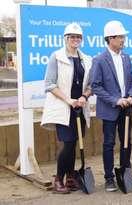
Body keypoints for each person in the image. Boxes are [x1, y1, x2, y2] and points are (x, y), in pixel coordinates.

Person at [41, 22, 92, 194]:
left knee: (75, 143)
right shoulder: (56, 57)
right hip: (64, 107)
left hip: (80, 108)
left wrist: (84, 97)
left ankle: (70, 177)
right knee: (68, 143)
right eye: (72, 37)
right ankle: (58, 178)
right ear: (65, 38)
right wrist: (68, 100)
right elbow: (49, 84)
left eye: (78, 37)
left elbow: (90, 84)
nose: (75, 40)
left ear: (81, 40)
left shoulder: (86, 59)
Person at [90, 20, 132, 192]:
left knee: (127, 142)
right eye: (120, 37)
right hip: (110, 109)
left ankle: (126, 173)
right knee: (109, 143)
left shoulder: (126, 58)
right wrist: (115, 100)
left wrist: (131, 96)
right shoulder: (99, 60)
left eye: (123, 37)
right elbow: (95, 86)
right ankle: (109, 178)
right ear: (110, 38)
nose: (123, 40)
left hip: (126, 109)